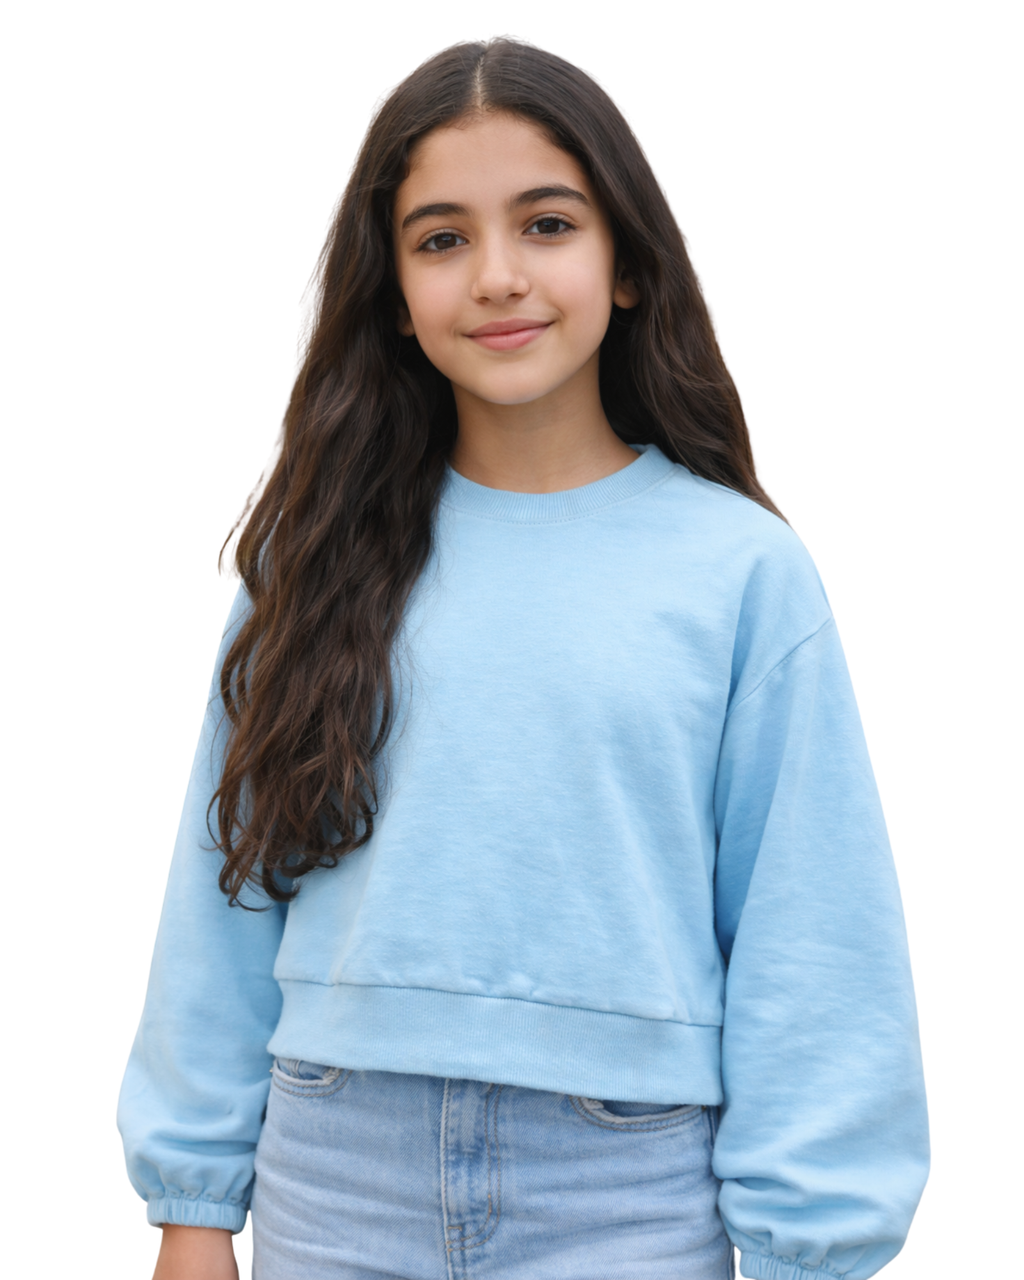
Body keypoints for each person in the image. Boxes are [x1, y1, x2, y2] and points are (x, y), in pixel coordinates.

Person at [118, 38, 929, 1280]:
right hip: (333, 1171)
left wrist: (811, 1244)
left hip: (632, 1191)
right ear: (392, 289)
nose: (497, 275)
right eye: (441, 238)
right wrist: (190, 1198)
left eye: (546, 222)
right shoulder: (314, 556)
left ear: (628, 265)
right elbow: (225, 881)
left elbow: (810, 929)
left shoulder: (739, 571)